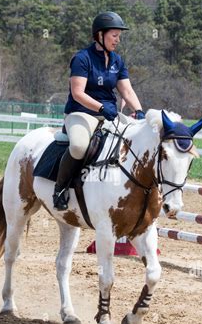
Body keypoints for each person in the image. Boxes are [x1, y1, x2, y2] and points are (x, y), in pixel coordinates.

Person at [53, 11, 145, 211]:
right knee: (78, 146)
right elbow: (77, 93)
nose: (118, 40)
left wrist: (139, 111)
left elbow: (127, 90)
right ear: (100, 35)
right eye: (114, 35)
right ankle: (60, 189)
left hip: (109, 114)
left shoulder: (117, 61)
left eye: (119, 36)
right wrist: (101, 107)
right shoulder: (82, 58)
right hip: (81, 113)